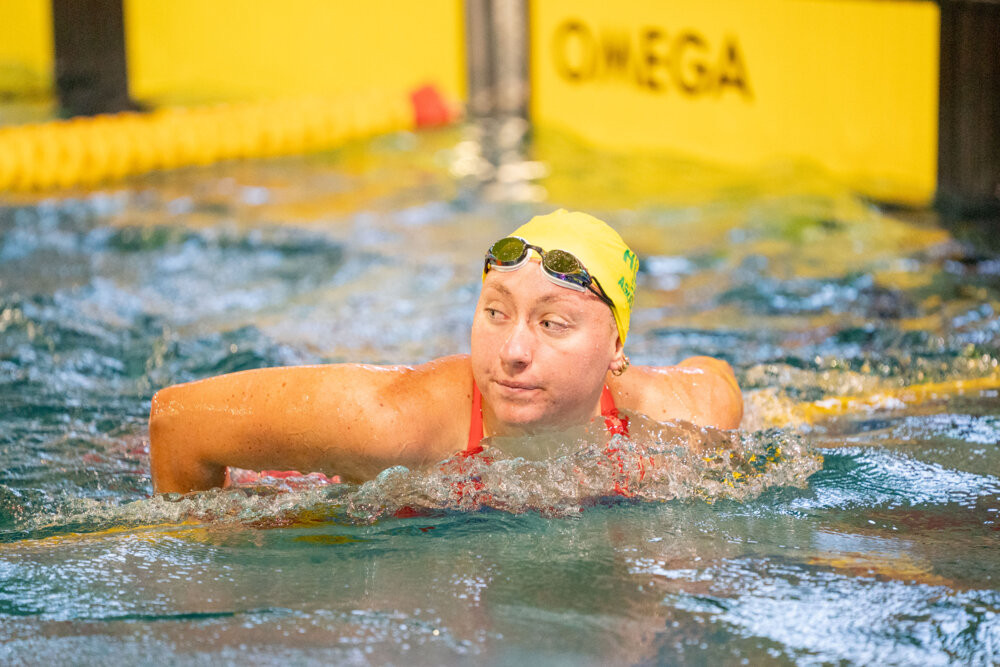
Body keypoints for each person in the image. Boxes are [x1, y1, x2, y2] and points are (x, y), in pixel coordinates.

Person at [149, 210, 743, 494]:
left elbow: (722, 380)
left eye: (552, 323)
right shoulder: (391, 421)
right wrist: (205, 558)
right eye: (495, 313)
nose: (512, 351)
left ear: (616, 346)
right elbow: (178, 422)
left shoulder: (684, 415)